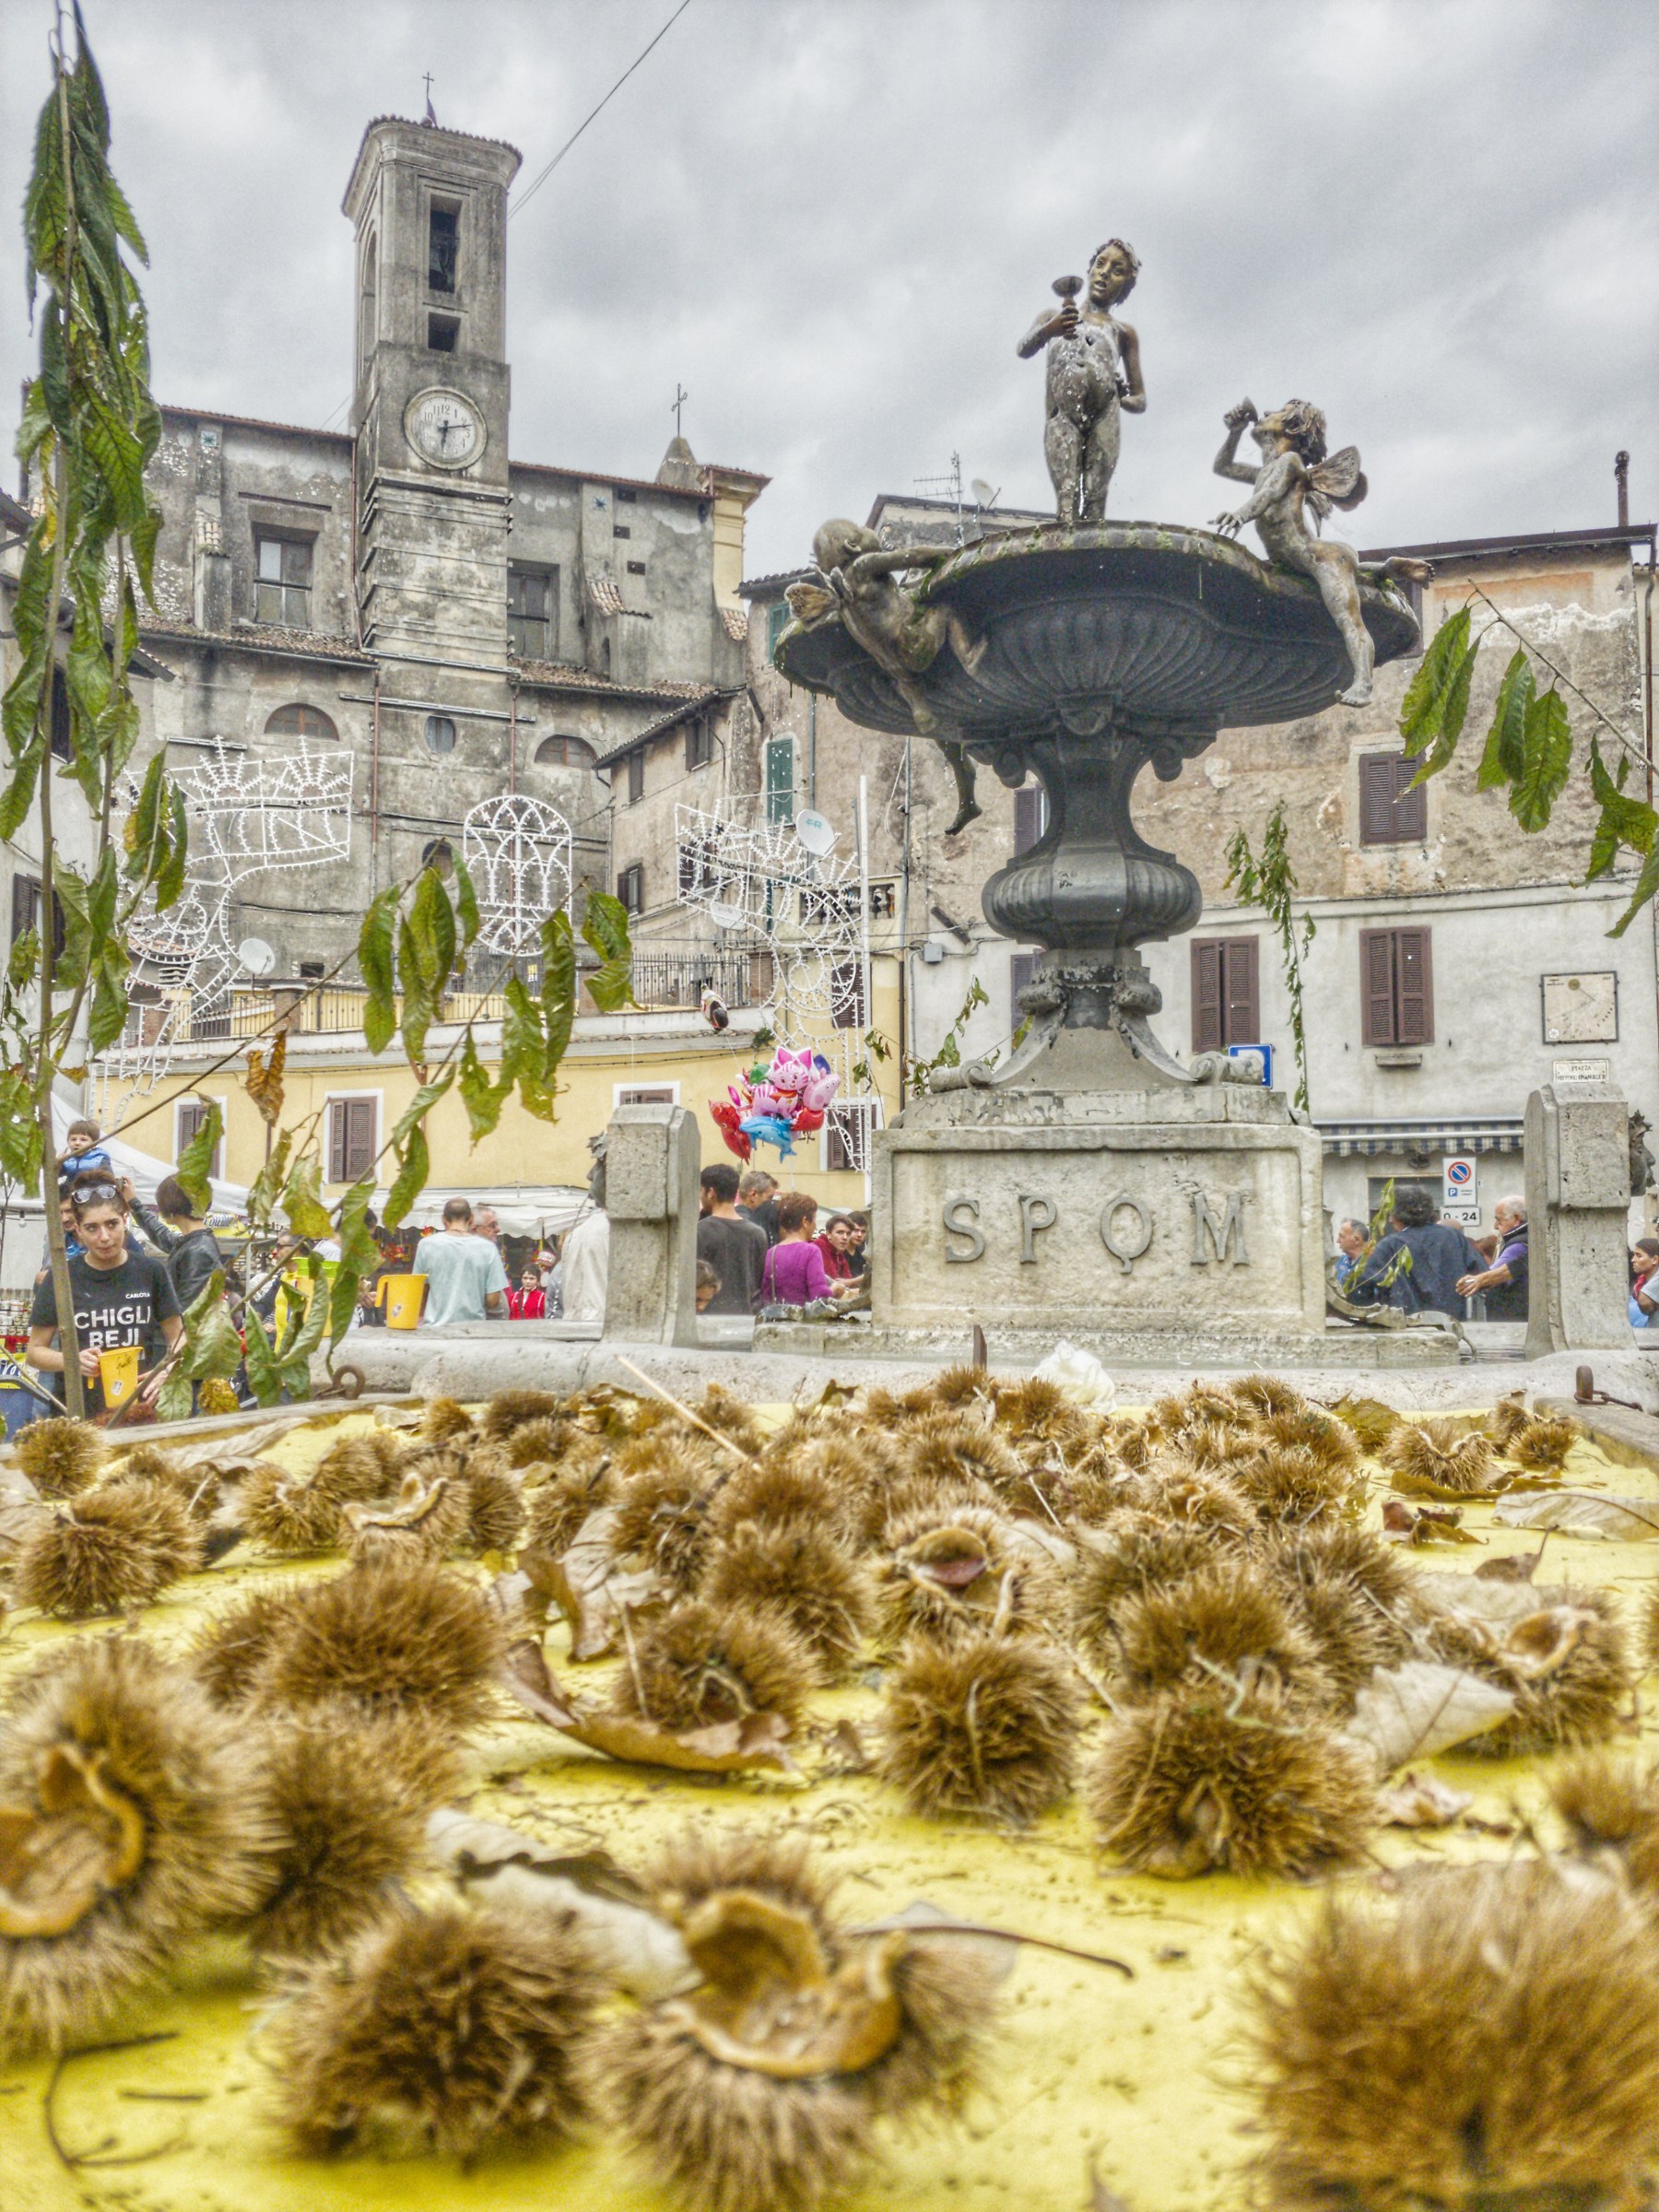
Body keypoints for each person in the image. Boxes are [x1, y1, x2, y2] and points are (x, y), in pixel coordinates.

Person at [27, 1176, 183, 1418]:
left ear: (125, 1221)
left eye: (112, 1224)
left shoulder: (152, 1272)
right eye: (92, 1228)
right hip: (77, 1413)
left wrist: (167, 1370)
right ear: (78, 1230)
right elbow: (35, 1352)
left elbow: (179, 1338)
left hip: (137, 1410)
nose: (104, 1236)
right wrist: (71, 1360)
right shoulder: (61, 1278)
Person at [1351, 1185, 1486, 1319]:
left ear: (1398, 1214)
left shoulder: (1389, 1246)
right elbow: (1483, 1276)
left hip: (1407, 1328)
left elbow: (1359, 1291)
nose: (1390, 1220)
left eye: (1390, 1214)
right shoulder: (1453, 1237)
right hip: (1453, 1325)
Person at [124, 1174, 226, 1311]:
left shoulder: (198, 1251)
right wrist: (133, 1203)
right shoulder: (195, 1243)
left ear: (171, 1206)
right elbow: (162, 1235)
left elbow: (187, 1309)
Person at [411, 1197, 509, 1325]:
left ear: (444, 1220)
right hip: (474, 1330)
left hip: (435, 1330)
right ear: (471, 1219)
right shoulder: (488, 1248)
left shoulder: (426, 1245)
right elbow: (493, 1300)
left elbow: (419, 1290)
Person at [761, 1193, 858, 1309]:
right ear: (805, 1221)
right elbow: (819, 1298)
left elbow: (767, 1296)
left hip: (778, 1321)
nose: (815, 1225)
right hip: (802, 1321)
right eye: (814, 1220)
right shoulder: (811, 1251)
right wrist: (834, 1290)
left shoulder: (771, 1252)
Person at [696, 1163, 768, 1316]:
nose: (700, 1197)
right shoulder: (757, 1234)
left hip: (707, 1319)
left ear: (710, 1192)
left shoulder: (699, 1231)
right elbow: (759, 1282)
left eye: (701, 1190)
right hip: (745, 1319)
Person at [1455, 1196, 1529, 1323]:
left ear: (1516, 1219)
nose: (1495, 1226)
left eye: (1499, 1221)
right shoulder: (1526, 1240)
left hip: (1512, 1318)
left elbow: (1494, 1275)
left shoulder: (1518, 1245)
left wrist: (1477, 1280)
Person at [58, 1117, 113, 1195]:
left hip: (92, 1195)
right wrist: (58, 1164)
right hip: (71, 1195)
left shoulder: (99, 1158)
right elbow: (55, 1175)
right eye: (73, 1139)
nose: (77, 1143)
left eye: (83, 1140)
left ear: (94, 1144)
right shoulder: (68, 1159)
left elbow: (109, 1180)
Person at [737, 1170, 782, 1245]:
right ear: (753, 1195)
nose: (771, 1203)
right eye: (769, 1198)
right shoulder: (757, 1228)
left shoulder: (722, 1220)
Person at [815, 1213, 856, 1283]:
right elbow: (834, 1282)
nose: (845, 1237)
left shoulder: (838, 1252)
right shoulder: (819, 1246)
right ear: (828, 1234)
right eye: (840, 1232)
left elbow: (847, 1280)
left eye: (848, 1234)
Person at [1630, 1236, 1659, 1329]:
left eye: (1639, 1256)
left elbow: (1644, 1301)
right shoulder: (1643, 1281)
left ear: (1654, 1260)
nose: (1633, 1260)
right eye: (1634, 1255)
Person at [1333, 1218, 1368, 1291]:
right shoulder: (1340, 1262)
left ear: (1356, 1240)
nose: (1337, 1241)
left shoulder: (1371, 1265)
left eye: (1342, 1236)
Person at [844, 1213, 869, 1279]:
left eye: (863, 1231)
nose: (859, 1235)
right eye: (856, 1230)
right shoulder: (838, 1252)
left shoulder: (863, 1253)